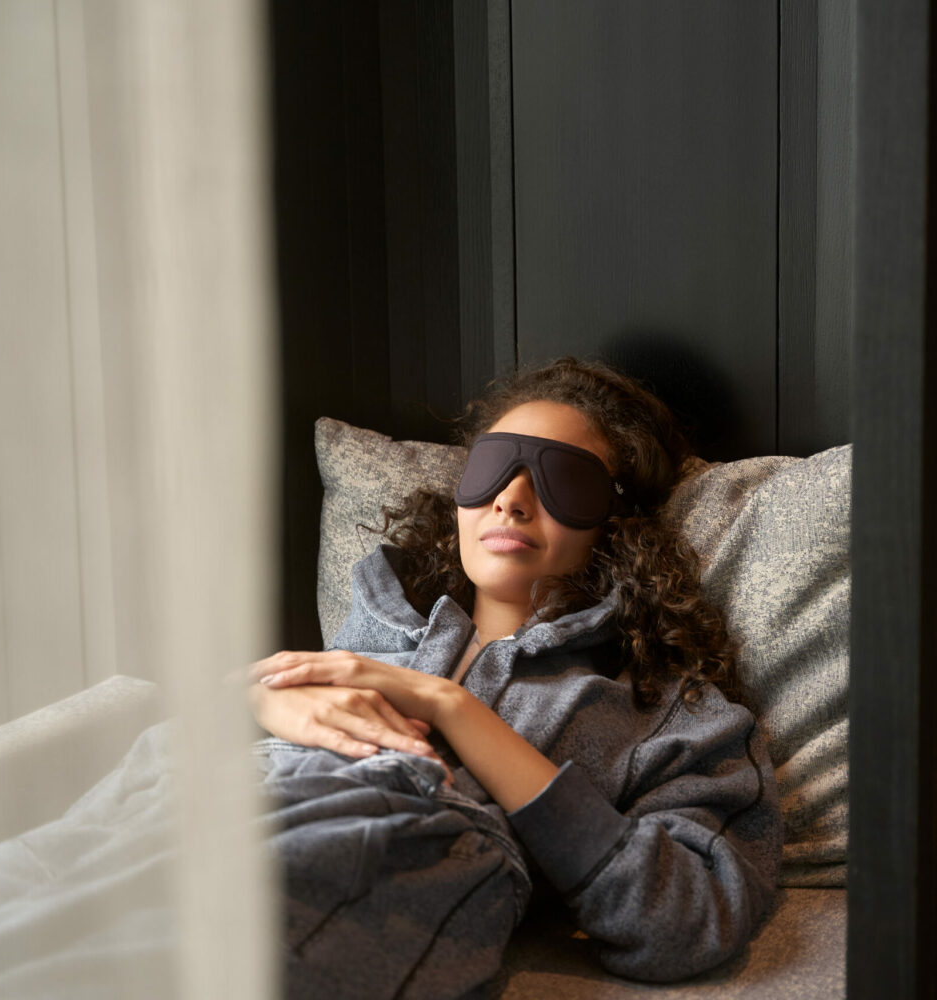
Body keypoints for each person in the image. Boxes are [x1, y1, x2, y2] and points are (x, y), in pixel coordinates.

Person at [247, 358, 781, 990]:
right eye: (493, 468)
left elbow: (688, 918)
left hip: (360, 859)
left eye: (561, 480)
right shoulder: (379, 616)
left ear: (617, 523)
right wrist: (259, 701)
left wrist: (453, 706)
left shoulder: (664, 711)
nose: (511, 499)